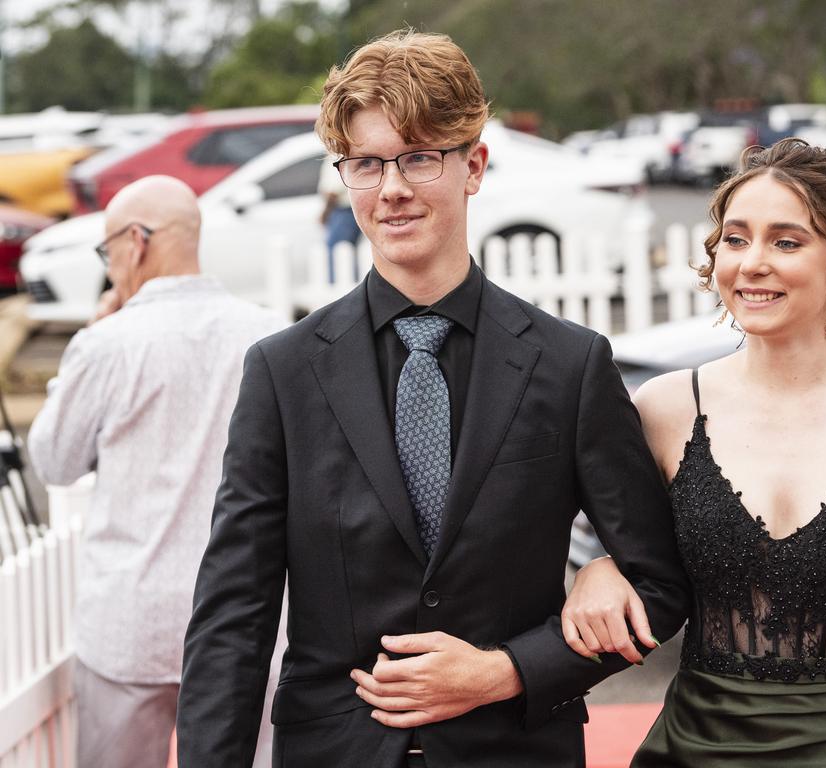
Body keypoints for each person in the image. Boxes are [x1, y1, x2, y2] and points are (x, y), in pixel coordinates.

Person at [175, 29, 690, 768]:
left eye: (418, 156)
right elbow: (234, 615)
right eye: (365, 163)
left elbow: (659, 581)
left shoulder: (570, 363)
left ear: (473, 165)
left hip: (514, 750)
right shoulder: (282, 374)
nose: (391, 188)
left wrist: (506, 671)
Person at [561, 138, 826, 767]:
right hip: (693, 751)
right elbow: (620, 559)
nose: (751, 263)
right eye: (736, 239)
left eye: (785, 242)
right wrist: (599, 571)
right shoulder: (665, 409)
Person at [27, 175, 286, 768]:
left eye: (107, 248)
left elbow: (54, 462)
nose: (110, 264)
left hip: (131, 621)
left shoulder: (108, 344)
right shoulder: (269, 333)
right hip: (249, 617)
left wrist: (89, 339)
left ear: (136, 242)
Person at [318, 154, 361, 283]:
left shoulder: (337, 152)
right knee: (346, 252)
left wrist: (325, 212)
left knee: (338, 252)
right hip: (343, 209)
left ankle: (340, 285)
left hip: (342, 209)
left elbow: (334, 189)